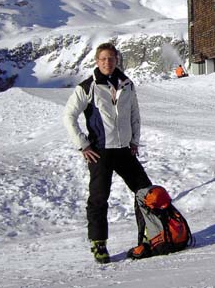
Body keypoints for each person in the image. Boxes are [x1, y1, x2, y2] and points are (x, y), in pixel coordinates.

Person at [63, 42, 152, 264]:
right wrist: (83, 144)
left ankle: (149, 235)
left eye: (111, 58)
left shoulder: (127, 84)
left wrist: (134, 141)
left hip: (124, 150)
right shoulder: (87, 87)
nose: (107, 62)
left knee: (145, 191)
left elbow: (135, 115)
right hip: (100, 151)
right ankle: (98, 243)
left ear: (117, 60)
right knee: (99, 198)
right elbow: (68, 117)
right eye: (103, 58)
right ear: (96, 61)